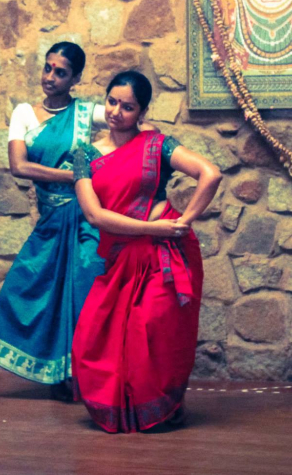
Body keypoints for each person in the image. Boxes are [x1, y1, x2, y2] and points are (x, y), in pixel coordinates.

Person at [71, 71, 222, 433]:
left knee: (153, 331)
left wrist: (183, 220)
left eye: (128, 107)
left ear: (142, 111)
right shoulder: (84, 155)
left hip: (165, 254)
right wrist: (150, 228)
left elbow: (210, 174)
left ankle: (160, 410)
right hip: (124, 253)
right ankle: (125, 409)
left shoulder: (158, 145)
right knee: (92, 338)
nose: (116, 112)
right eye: (111, 102)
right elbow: (95, 215)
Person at [0, 42, 105, 399]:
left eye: (61, 72)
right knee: (29, 288)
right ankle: (55, 370)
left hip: (86, 218)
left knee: (83, 287)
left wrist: (99, 164)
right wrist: (73, 175)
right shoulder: (24, 113)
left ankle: (80, 374)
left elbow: (127, 123)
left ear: (75, 79)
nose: (51, 77)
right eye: (48, 68)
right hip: (51, 218)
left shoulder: (88, 113)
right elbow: (19, 166)